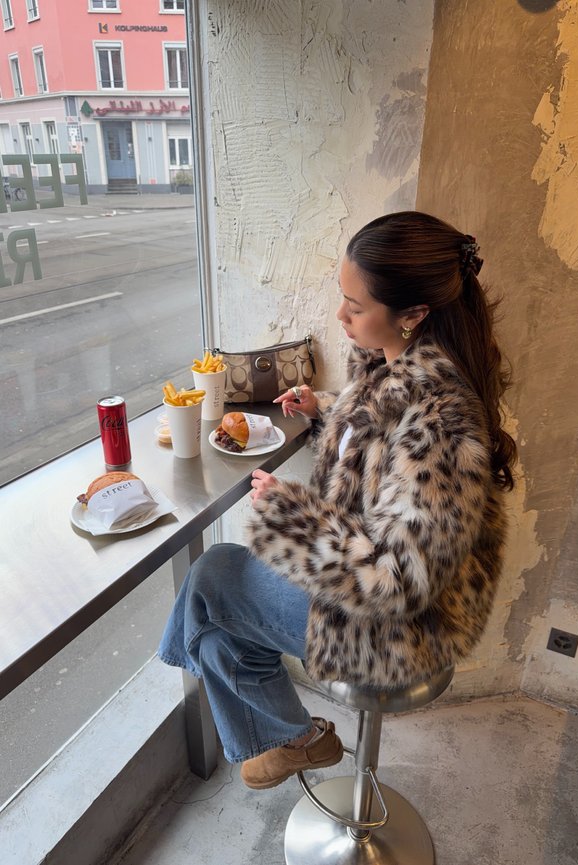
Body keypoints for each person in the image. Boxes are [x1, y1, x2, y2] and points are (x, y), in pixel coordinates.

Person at [158, 210, 517, 790]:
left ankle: (290, 737)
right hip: (372, 578)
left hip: (401, 627)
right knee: (218, 619)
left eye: (355, 306)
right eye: (341, 297)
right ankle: (290, 737)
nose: (339, 316)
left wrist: (291, 517)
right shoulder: (395, 362)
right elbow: (382, 440)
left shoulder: (442, 425)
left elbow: (397, 580)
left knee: (211, 578)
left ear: (413, 314)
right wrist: (326, 408)